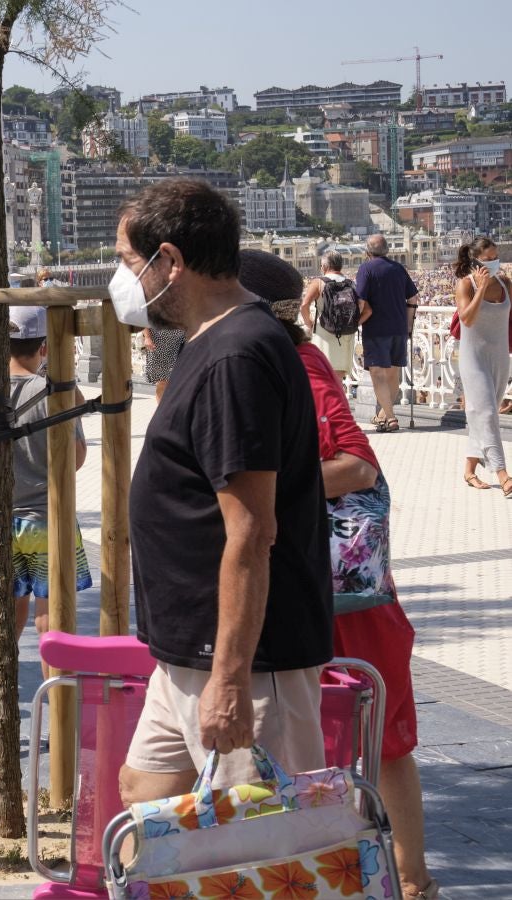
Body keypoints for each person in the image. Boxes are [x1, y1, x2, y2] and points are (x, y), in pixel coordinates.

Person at [113, 180, 332, 798]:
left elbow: (253, 528)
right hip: (192, 648)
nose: (127, 281)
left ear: (171, 262)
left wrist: (231, 678)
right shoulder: (214, 343)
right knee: (143, 791)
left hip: (244, 661)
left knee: (263, 837)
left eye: (131, 264)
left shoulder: (236, 357)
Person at [247, 249, 438, 900]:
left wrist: (254, 496)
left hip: (342, 595)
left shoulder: (297, 365)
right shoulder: (267, 363)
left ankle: (411, 883)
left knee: (379, 738)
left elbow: (355, 464)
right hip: (314, 591)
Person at [0, 306, 91, 755]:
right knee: (51, 623)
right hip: (49, 519)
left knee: (5, 622)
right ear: (45, 347)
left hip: (1, 522)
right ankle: (54, 724)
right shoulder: (58, 391)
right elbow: (79, 455)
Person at [453, 237, 512, 494]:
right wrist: (480, 289)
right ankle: (503, 474)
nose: (493, 263)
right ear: (475, 261)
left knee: (482, 416)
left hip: (499, 357)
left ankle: (469, 470)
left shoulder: (506, 283)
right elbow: (467, 319)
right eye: (488, 260)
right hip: (473, 359)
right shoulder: (465, 284)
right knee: (487, 414)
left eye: (495, 257)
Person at [356, 234, 419, 433]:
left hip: (376, 329)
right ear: (387, 250)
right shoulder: (398, 268)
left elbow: (361, 301)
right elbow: (414, 297)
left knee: (377, 374)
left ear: (367, 251)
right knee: (393, 374)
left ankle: (390, 418)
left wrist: (353, 322)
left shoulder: (366, 268)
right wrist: (409, 325)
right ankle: (383, 416)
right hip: (399, 328)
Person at [300, 250, 368, 384]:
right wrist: (353, 323)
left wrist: (309, 323)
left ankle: (329, 403)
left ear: (324, 267)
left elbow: (304, 305)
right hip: (346, 334)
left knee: (323, 374)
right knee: (338, 377)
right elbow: (366, 308)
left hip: (324, 331)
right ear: (340, 266)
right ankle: (340, 401)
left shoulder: (318, 282)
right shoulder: (351, 284)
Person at [141, 326, 184, 401]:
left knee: (181, 381)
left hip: (183, 340)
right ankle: (162, 410)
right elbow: (144, 318)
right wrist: (147, 337)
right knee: (162, 380)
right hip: (159, 343)